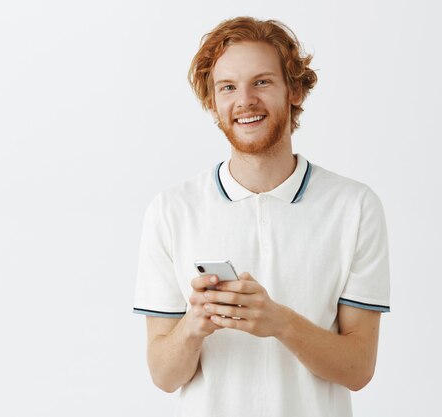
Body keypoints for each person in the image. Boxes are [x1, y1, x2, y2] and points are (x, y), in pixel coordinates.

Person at [132, 16, 390, 417]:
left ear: (294, 89)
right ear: (213, 101)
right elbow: (164, 376)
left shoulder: (354, 206)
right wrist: (194, 325)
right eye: (228, 87)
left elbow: (358, 369)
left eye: (262, 82)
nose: (245, 101)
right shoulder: (171, 211)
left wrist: (280, 322)